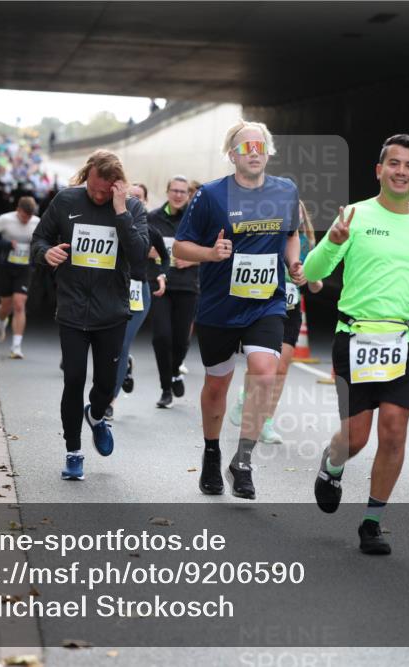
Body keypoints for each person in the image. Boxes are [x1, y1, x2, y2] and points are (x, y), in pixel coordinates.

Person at [306, 134, 409, 555]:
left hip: (404, 340)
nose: (401, 171)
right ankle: (332, 465)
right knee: (356, 438)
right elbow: (312, 272)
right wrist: (332, 241)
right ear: (379, 170)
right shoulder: (353, 216)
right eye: (394, 163)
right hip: (354, 338)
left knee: (393, 432)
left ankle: (372, 522)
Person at [172, 120, 303, 500]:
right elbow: (180, 247)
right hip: (219, 307)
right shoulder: (211, 195)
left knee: (265, 373)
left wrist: (293, 263)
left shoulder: (285, 191)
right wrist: (210, 254)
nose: (255, 152)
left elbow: (291, 233)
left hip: (266, 302)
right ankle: (212, 455)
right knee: (218, 384)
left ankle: (242, 460)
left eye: (260, 146)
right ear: (232, 155)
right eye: (246, 147)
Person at [31, 150, 149, 481]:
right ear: (88, 176)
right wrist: (46, 252)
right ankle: (73, 452)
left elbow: (139, 258)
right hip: (71, 310)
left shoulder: (132, 208)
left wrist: (121, 211)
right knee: (73, 380)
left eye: (104, 192)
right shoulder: (67, 201)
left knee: (106, 384)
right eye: (93, 189)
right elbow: (38, 238)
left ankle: (96, 416)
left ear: (117, 185)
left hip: (111, 313)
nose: (97, 196)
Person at [230, 200, 323, 442]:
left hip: (292, 309)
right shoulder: (272, 237)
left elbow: (317, 282)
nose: (297, 217)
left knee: (281, 368)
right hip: (267, 304)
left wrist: (309, 280)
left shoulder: (310, 245)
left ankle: (267, 422)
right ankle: (245, 396)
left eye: (299, 213)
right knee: (263, 366)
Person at [110, 183, 169, 419]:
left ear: (144, 202)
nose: (133, 199)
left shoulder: (151, 230)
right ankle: (124, 367)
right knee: (110, 345)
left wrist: (163, 274)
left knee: (122, 343)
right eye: (129, 195)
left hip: (138, 292)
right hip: (114, 289)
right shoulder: (111, 222)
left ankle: (110, 402)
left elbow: (165, 257)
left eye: (138, 197)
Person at [147, 176, 199, 408]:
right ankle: (166, 388)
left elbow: (214, 252)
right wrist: (156, 256)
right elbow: (141, 248)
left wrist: (193, 260)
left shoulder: (197, 219)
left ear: (189, 195)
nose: (178, 195)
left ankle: (176, 368)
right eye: (174, 190)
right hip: (160, 285)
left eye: (183, 191)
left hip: (188, 287)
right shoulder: (153, 218)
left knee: (180, 340)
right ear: (167, 192)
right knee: (161, 337)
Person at [0, 196, 40, 358]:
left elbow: (44, 240)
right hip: (6, 267)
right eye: (24, 216)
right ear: (18, 210)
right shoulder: (5, 219)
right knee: (5, 306)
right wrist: (8, 245)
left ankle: (16, 347)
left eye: (29, 217)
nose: (26, 220)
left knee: (19, 304)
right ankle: (1, 322)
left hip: (24, 268)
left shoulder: (37, 222)